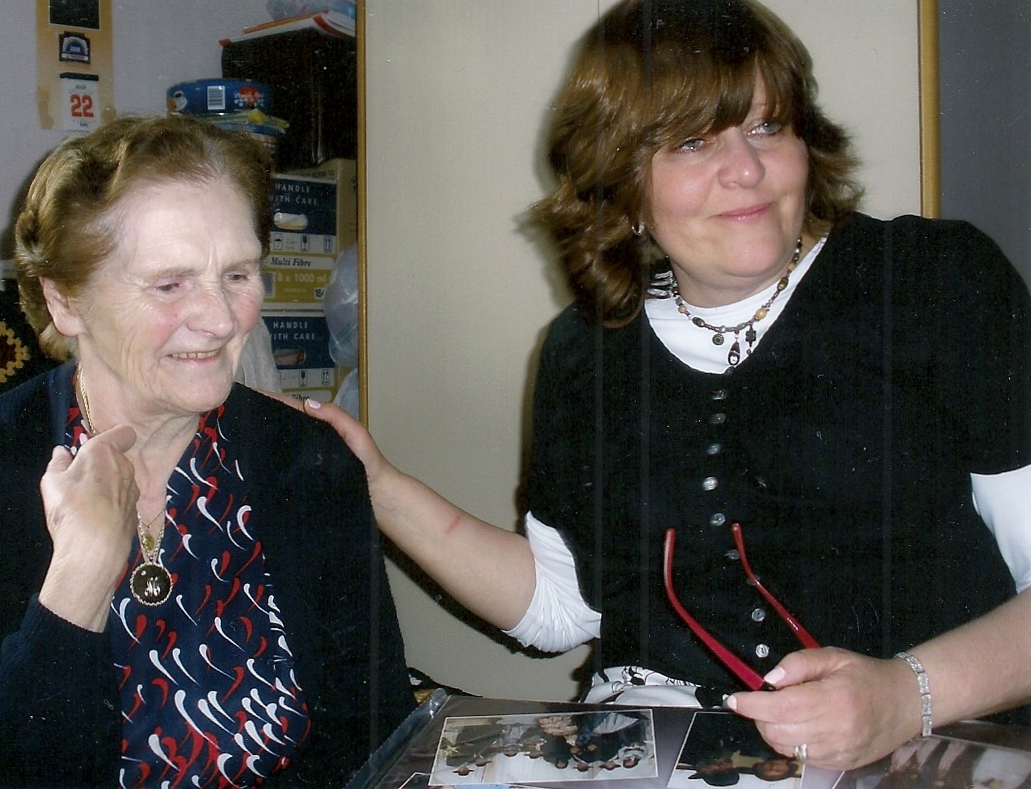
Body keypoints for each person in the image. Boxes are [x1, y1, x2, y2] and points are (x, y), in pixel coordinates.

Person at [303, 0, 1031, 773]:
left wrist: (904, 693)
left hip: (928, 742)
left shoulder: (933, 281)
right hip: (650, 751)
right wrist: (378, 485)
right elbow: (561, 606)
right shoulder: (583, 350)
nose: (745, 169)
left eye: (768, 126)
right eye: (691, 142)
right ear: (620, 179)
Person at [0, 115, 413, 788]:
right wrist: (75, 587)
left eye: (239, 274)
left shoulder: (307, 460)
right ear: (64, 298)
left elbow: (382, 732)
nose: (223, 320)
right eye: (171, 284)